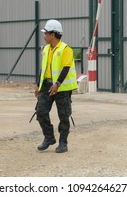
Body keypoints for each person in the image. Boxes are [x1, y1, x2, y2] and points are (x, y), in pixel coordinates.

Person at [34, 19, 78, 153]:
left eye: (46, 33)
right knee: (41, 112)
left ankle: (63, 143)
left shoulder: (66, 49)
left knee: (63, 116)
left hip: (62, 88)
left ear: (53, 34)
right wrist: (38, 86)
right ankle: (49, 138)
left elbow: (65, 68)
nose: (44, 36)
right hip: (47, 85)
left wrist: (57, 84)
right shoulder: (46, 49)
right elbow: (44, 68)